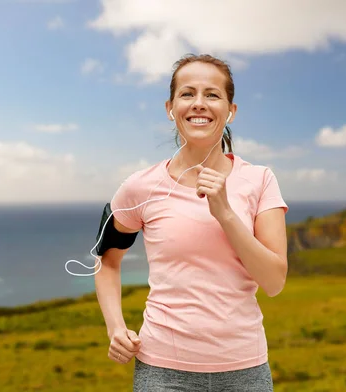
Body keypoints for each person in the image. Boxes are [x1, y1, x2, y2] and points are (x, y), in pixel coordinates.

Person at [94, 53, 289, 392]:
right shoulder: (140, 186)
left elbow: (274, 281)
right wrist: (115, 327)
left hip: (245, 371)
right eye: (188, 94)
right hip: (162, 373)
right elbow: (106, 260)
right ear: (171, 108)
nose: (199, 103)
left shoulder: (260, 180)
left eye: (212, 94)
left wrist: (225, 213)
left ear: (231, 110)